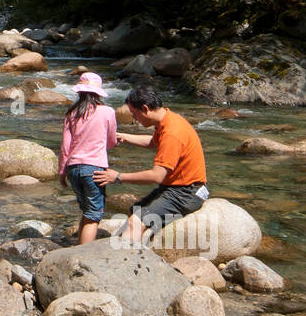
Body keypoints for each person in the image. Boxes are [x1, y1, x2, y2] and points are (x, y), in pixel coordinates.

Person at [95, 85, 209, 244]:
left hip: (186, 193)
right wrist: (124, 137)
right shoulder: (168, 119)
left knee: (135, 221)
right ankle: (143, 245)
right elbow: (152, 142)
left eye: (135, 115)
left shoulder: (172, 133)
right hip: (177, 187)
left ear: (145, 108)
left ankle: (129, 263)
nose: (135, 120)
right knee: (135, 209)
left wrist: (118, 177)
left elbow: (157, 175)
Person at [58, 72, 118, 244]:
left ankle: (79, 248)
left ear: (79, 92)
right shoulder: (107, 111)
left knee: (86, 210)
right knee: (94, 215)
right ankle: (84, 255)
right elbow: (111, 142)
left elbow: (65, 147)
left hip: (74, 168)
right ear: (98, 93)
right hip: (94, 169)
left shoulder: (72, 113)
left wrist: (62, 173)